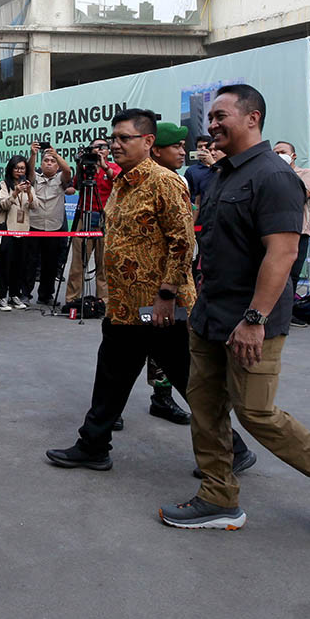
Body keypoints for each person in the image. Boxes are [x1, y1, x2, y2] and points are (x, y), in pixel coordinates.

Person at [159, 84, 310, 537]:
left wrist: (253, 321)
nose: (211, 124)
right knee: (205, 407)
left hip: (250, 321)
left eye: (221, 116)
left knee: (256, 413)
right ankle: (219, 498)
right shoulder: (222, 175)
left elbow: (282, 254)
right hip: (209, 316)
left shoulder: (273, 176)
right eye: (210, 117)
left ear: (252, 118)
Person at [45, 109, 255, 474]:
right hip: (125, 307)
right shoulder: (124, 182)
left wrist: (167, 294)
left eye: (124, 138)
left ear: (148, 142)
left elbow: (182, 242)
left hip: (160, 309)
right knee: (111, 375)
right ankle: (93, 445)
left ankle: (232, 450)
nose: (115, 145)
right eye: (113, 138)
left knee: (191, 381)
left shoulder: (165, 182)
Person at [143, 121, 194, 425]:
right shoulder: (158, 181)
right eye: (176, 146)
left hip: (169, 283)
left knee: (164, 346)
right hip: (157, 285)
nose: (182, 151)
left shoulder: (176, 180)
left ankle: (161, 398)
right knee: (143, 346)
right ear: (157, 150)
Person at [66, 138, 118, 308]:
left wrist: (104, 166)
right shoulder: (85, 167)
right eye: (96, 147)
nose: (100, 150)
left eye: (103, 147)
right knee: (78, 261)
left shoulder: (113, 166)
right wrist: (80, 164)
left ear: (108, 151)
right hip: (84, 216)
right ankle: (72, 299)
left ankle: (104, 301)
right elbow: (75, 185)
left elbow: (118, 180)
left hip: (105, 217)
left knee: (103, 263)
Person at [272, 141, 310, 328]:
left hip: (299, 231)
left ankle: (287, 313)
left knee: (292, 275)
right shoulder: (269, 174)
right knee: (274, 273)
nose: (278, 155)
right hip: (273, 232)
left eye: (282, 152)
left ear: (293, 156)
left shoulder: (306, 174)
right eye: (274, 153)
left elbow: (302, 194)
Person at [26, 142, 73, 306]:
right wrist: (33, 154)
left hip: (54, 226)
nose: (49, 163)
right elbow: (29, 172)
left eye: (52, 161)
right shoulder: (36, 178)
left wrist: (56, 154)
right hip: (34, 224)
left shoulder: (61, 178)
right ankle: (25, 294)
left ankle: (46, 295)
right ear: (41, 163)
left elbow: (67, 171)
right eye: (46, 160)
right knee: (30, 262)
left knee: (50, 264)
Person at [0, 155, 39, 310]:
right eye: (17, 168)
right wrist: (15, 192)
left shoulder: (28, 185)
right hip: (7, 230)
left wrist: (29, 193)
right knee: (5, 265)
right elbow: (3, 205)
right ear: (11, 169)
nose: (20, 171)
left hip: (24, 230)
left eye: (22, 168)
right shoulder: (4, 184)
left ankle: (14, 295)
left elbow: (35, 206)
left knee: (20, 265)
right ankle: (1, 297)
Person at [184, 135, 214, 206]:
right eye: (200, 147)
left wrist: (213, 163)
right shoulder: (191, 170)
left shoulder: (220, 167)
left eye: (206, 146)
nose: (203, 149)